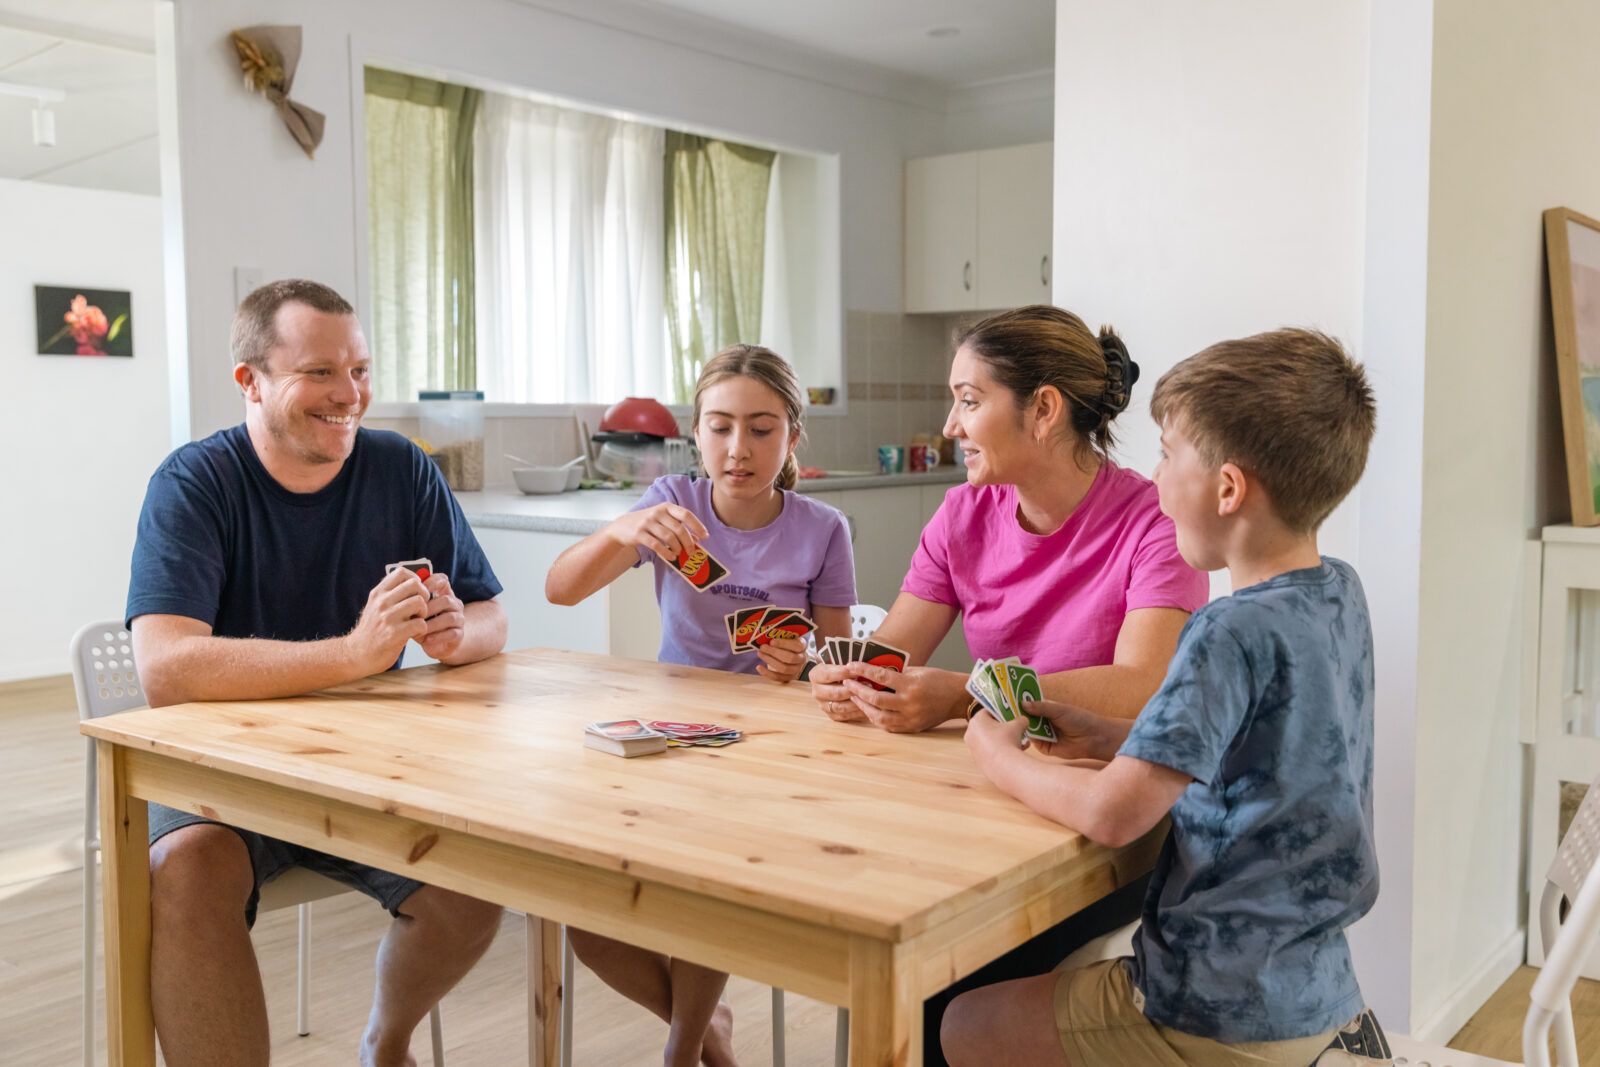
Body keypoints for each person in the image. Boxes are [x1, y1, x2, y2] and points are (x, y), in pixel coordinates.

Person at [945, 328, 1379, 1067]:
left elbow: (1114, 815)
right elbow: (1266, 746)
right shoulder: (1336, 590)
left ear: (1228, 487)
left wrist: (994, 751)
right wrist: (1119, 735)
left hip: (1218, 1002)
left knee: (958, 1023)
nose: (1153, 473)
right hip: (1316, 983)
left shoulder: (1226, 629)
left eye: (1168, 452)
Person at [126, 279, 509, 1067]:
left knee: (481, 872)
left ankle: (386, 1043)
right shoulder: (191, 483)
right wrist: (351, 652)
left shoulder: (402, 468)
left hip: (365, 767)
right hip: (217, 772)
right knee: (187, 868)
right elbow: (164, 667)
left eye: (361, 369)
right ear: (251, 381)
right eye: (320, 372)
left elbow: (493, 616)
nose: (350, 394)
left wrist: (456, 630)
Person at [545, 343, 856, 1067]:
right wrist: (625, 529)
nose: (737, 448)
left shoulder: (822, 528)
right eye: (719, 427)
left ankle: (684, 1050)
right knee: (585, 920)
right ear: (695, 433)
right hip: (667, 735)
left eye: (761, 428)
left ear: (792, 438)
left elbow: (836, 661)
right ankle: (708, 1027)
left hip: (768, 746)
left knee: (703, 896)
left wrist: (803, 659)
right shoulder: (671, 507)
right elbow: (560, 589)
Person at [808, 304, 1208, 732]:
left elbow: (1141, 688)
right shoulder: (962, 514)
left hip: (1107, 775)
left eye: (969, 401)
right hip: (996, 761)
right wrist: (848, 678)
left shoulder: (1156, 523)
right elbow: (892, 650)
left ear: (1043, 410)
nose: (950, 426)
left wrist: (970, 696)